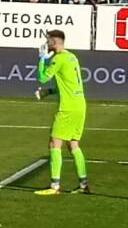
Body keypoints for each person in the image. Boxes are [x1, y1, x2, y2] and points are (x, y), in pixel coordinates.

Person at [33, 30, 90, 195]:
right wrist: (48, 92)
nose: (46, 44)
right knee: (73, 144)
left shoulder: (58, 59)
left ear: (54, 42)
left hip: (68, 108)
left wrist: (42, 59)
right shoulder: (72, 57)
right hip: (80, 104)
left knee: (54, 143)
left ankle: (54, 186)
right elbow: (67, 84)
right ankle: (83, 184)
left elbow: (42, 77)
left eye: (48, 41)